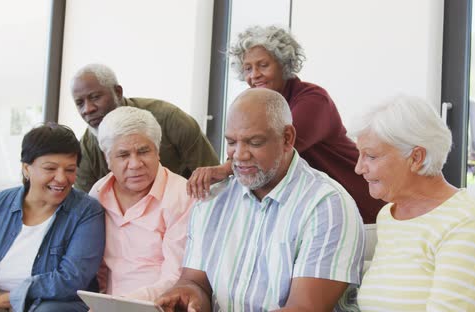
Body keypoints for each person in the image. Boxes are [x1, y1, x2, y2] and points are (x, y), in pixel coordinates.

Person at [157, 88, 365, 311]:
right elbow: (196, 281)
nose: (239, 155)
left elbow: (304, 308)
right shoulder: (213, 199)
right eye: (231, 142)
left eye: (254, 143)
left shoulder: (327, 205)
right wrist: (188, 295)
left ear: (287, 138)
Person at [186, 25, 383, 224]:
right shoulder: (257, 108)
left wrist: (223, 169)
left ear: (283, 64)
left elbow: (275, 148)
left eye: (263, 65)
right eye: (248, 68)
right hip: (318, 209)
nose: (254, 75)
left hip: (361, 206)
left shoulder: (314, 99)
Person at [354, 95, 475, 311]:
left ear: (416, 158)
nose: (358, 168)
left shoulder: (466, 222)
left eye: (371, 157)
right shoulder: (389, 216)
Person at [0, 123, 105, 312]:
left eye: (70, 169)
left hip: (45, 305)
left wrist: (1, 300)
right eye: (50, 168)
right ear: (26, 169)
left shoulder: (87, 212)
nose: (62, 178)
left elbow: (71, 279)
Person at [88, 106, 193, 301]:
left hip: (160, 304)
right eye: (123, 155)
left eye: (143, 152)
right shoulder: (98, 193)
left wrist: (123, 304)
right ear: (107, 159)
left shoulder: (180, 195)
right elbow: (95, 267)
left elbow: (176, 276)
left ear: (157, 152)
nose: (135, 164)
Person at [71, 63, 219, 193]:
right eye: (79, 103)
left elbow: (214, 180)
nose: (87, 109)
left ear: (118, 92)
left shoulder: (170, 119)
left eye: (95, 97)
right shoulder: (85, 151)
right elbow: (85, 209)